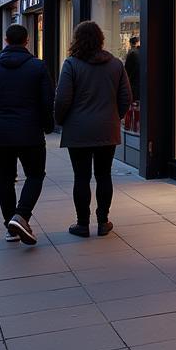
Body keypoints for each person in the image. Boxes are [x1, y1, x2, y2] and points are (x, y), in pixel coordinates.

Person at [0, 24, 55, 244]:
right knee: (35, 175)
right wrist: (48, 126)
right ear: (27, 41)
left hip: (0, 132)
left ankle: (11, 227)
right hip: (30, 131)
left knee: (6, 178)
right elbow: (47, 101)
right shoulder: (37, 67)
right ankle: (21, 215)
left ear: (5, 40)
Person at [55, 21, 131, 237]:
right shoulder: (116, 64)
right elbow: (126, 97)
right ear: (101, 39)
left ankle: (82, 224)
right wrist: (115, 117)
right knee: (104, 175)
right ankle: (103, 221)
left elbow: (62, 99)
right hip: (107, 128)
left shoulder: (71, 64)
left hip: (78, 129)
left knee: (81, 177)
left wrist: (61, 121)